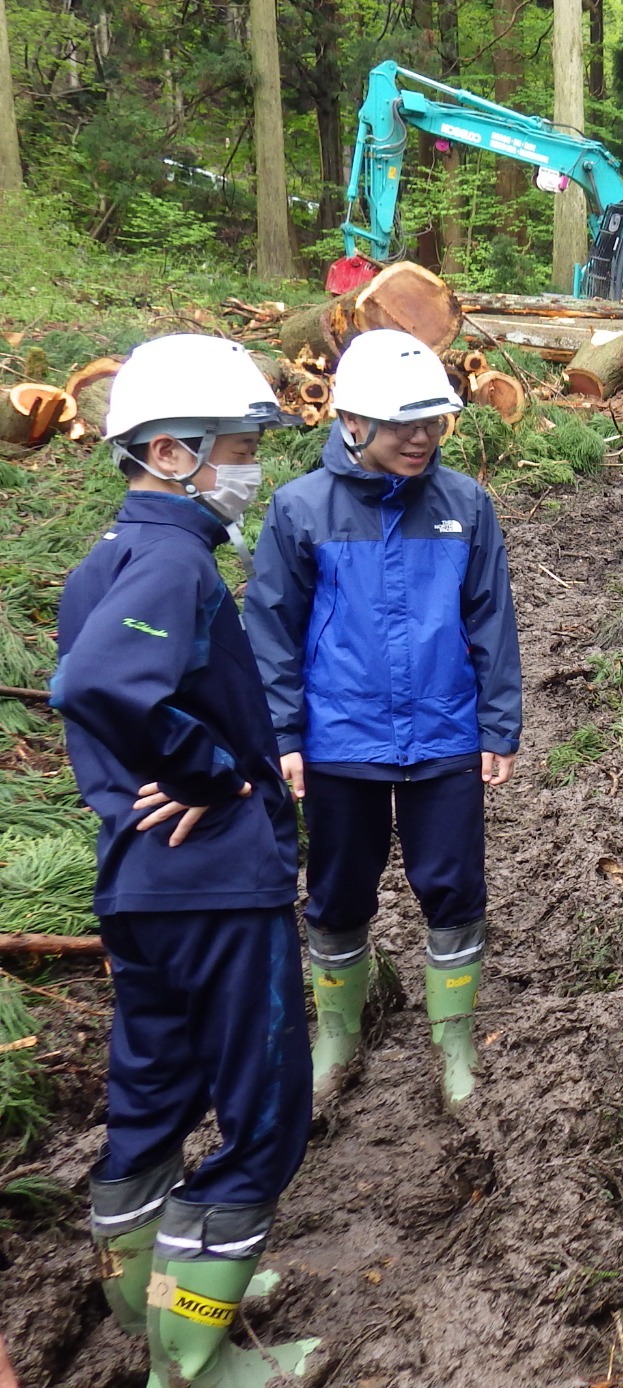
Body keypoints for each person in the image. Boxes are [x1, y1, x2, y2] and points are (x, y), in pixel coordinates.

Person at [52, 335, 318, 1385]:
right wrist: (210, 774)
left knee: (153, 1093)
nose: (252, 464)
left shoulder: (107, 558)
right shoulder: (169, 561)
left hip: (140, 884)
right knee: (263, 1115)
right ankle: (193, 1363)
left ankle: (150, 1295)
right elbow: (100, 688)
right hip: (212, 886)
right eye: (240, 447)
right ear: (170, 452)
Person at [245, 329, 521, 1112]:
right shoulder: (299, 510)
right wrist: (285, 735)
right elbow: (271, 630)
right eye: (407, 425)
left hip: (444, 737)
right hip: (340, 742)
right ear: (353, 422)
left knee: (454, 886)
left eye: (434, 421)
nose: (425, 437)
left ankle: (454, 1040)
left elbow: (491, 620)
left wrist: (498, 724)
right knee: (335, 893)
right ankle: (336, 1035)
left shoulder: (465, 505)